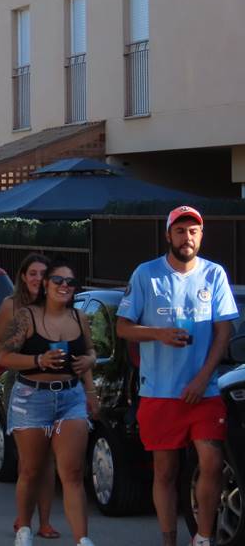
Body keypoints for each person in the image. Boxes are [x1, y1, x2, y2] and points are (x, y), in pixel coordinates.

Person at [116, 206, 238, 546]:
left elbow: (224, 332)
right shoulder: (146, 274)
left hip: (204, 391)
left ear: (201, 236)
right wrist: (159, 334)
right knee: (165, 472)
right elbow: (123, 328)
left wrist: (203, 378)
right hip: (160, 392)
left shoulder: (214, 274)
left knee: (212, 461)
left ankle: (203, 537)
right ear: (168, 234)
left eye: (194, 231)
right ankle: (168, 539)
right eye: (181, 230)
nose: (188, 237)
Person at [0, 260, 97, 546]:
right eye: (57, 280)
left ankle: (82, 540)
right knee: (31, 469)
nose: (64, 286)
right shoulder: (26, 317)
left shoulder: (79, 317)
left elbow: (89, 351)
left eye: (70, 282)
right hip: (32, 397)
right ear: (45, 285)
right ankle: (24, 528)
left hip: (71, 397)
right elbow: (4, 356)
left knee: (73, 472)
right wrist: (38, 360)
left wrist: (89, 371)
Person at [0, 254, 60, 539]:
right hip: (20, 384)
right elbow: (0, 348)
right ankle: (24, 520)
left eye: (42, 274)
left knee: (48, 460)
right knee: (30, 461)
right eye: (32, 273)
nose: (37, 279)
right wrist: (32, 359)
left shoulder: (57, 303)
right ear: (23, 276)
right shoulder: (11, 305)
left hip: (53, 385)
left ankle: (45, 522)